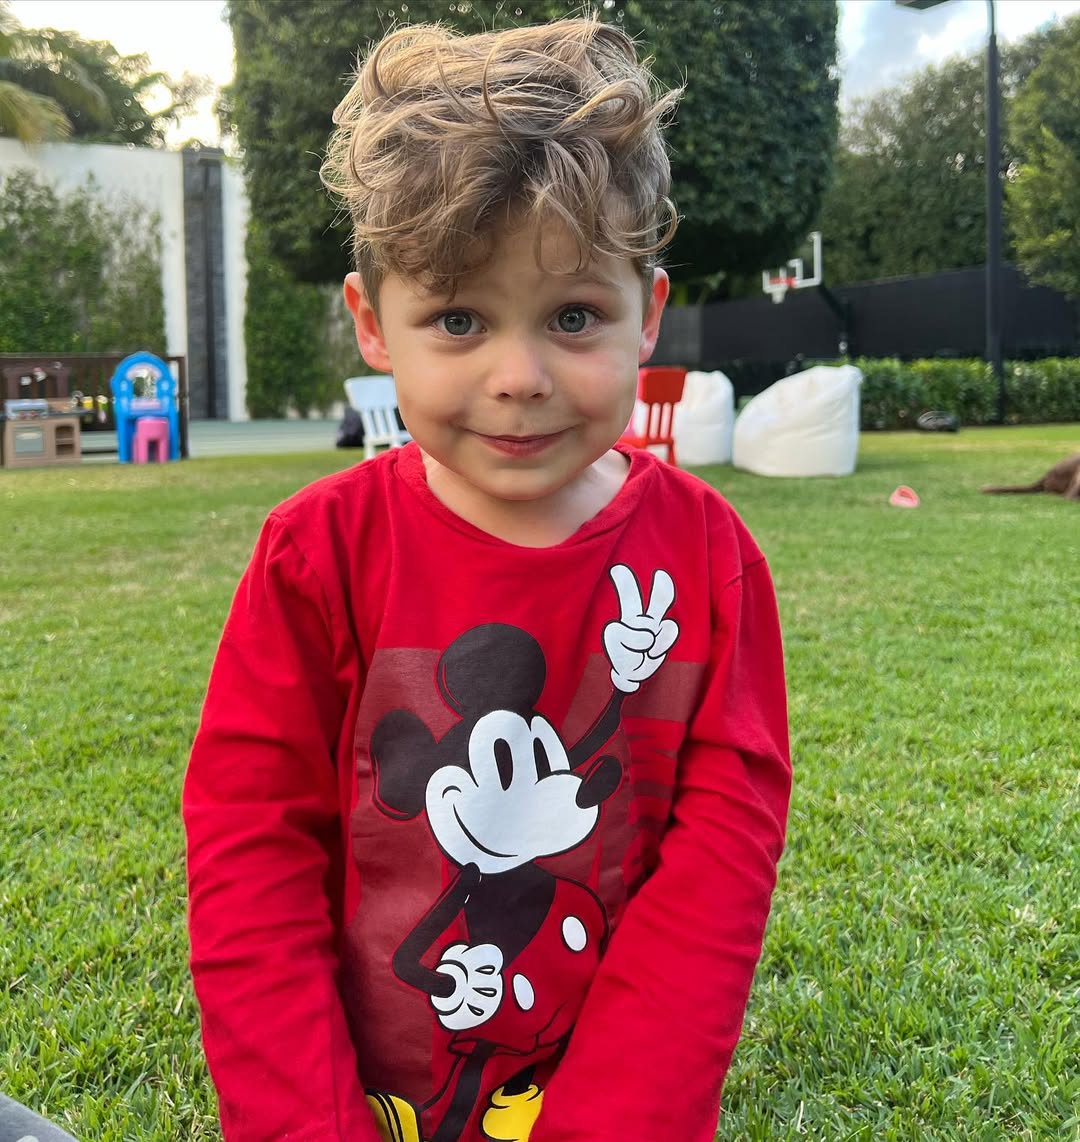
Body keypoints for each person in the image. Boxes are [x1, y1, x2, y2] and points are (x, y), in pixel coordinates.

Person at [184, 16, 790, 1142]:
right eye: (457, 318)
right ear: (374, 323)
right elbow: (249, 852)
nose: (519, 377)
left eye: (573, 316)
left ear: (647, 314)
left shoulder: (710, 560)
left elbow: (718, 871)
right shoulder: (315, 553)